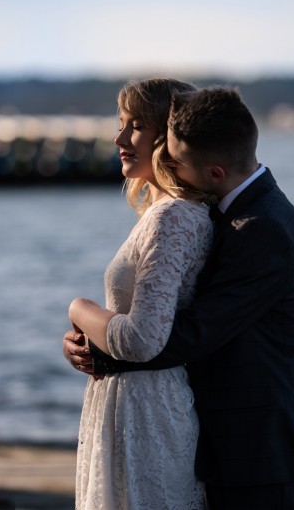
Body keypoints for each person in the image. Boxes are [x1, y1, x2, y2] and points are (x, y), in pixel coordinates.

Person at [64, 86, 294, 509]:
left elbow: (192, 333)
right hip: (224, 439)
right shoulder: (231, 212)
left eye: (176, 158)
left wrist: (93, 332)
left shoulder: (262, 228)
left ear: (214, 171)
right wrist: (94, 339)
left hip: (261, 450)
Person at [66, 78, 213, 510]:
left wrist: (79, 309)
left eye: (135, 126)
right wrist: (86, 343)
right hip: (133, 402)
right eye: (121, 124)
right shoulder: (162, 213)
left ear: (168, 136)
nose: (119, 139)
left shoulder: (173, 218)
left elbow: (143, 339)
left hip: (147, 411)